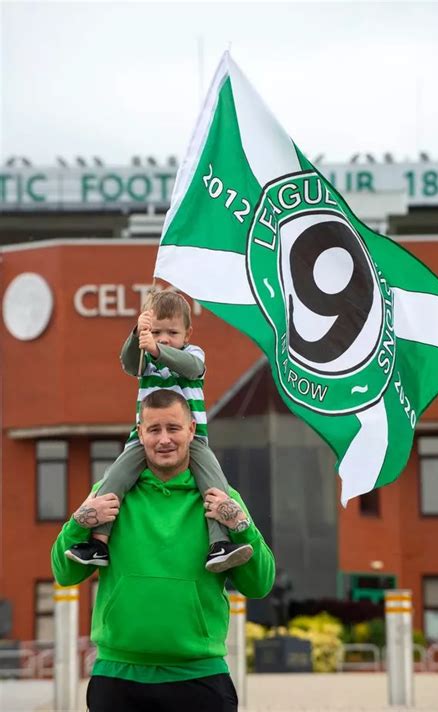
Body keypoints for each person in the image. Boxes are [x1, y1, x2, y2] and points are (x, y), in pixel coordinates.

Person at [52, 390, 275, 712]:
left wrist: (242, 526)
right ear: (140, 432)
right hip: (118, 675)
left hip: (200, 675)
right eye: (154, 429)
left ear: (191, 431)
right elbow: (65, 573)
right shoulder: (107, 497)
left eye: (173, 428)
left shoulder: (222, 498)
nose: (164, 439)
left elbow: (259, 584)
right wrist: (78, 523)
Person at [65, 289, 253, 573]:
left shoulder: (192, 354)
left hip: (194, 441)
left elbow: (191, 368)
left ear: (187, 334)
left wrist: (156, 349)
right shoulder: (145, 359)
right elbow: (128, 364)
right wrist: (136, 335)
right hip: (143, 442)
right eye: (157, 331)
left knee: (215, 487)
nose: (164, 338)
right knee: (113, 479)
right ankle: (99, 542)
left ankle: (219, 543)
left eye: (172, 333)